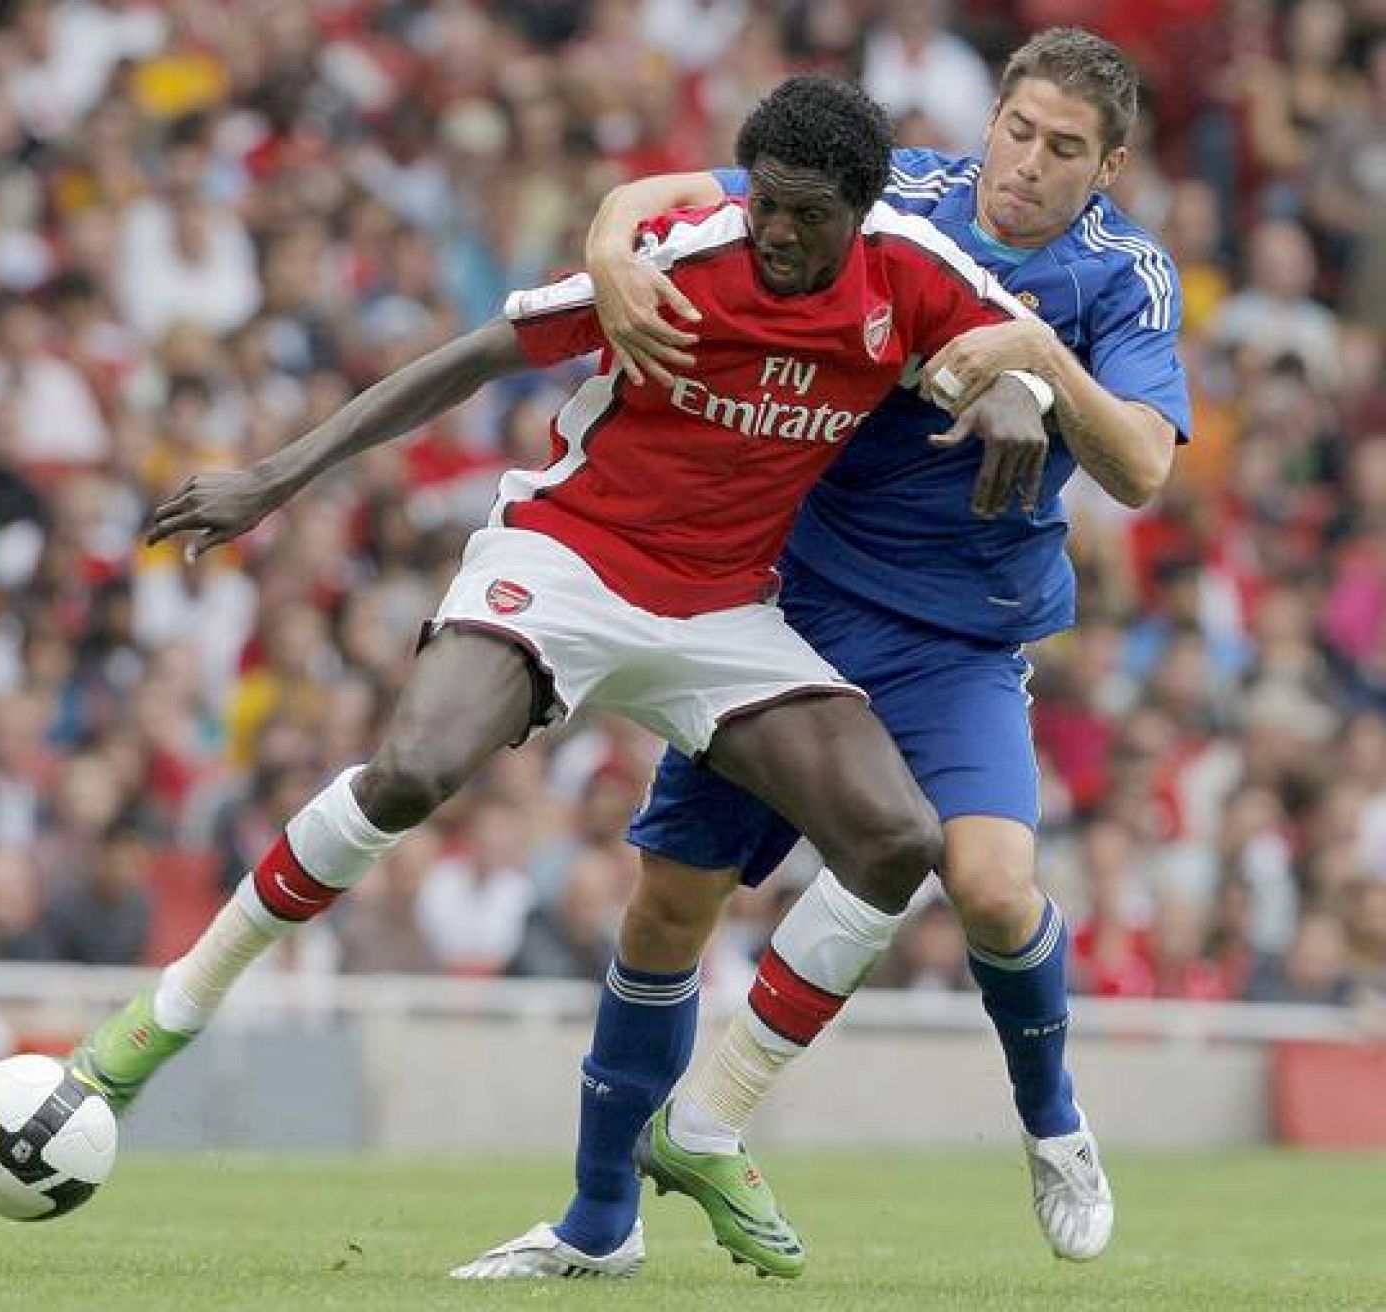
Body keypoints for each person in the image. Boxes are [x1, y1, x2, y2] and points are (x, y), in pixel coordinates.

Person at [63, 74, 1054, 1236]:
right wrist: (274, 479)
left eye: (807, 215)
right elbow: (481, 353)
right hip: (571, 561)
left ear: (862, 205)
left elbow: (1013, 339)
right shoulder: (685, 257)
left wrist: (1019, 393)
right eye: (767, 205)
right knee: (412, 772)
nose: (779, 233)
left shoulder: (910, 272)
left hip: (725, 615)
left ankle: (705, 1127)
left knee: (897, 843)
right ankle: (170, 1011)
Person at [455, 28, 1189, 1281]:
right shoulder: (894, 191)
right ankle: (594, 1226)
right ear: (990, 120)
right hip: (786, 606)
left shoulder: (1122, 279)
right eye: (1016, 130)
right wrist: (601, 248)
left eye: (1064, 150)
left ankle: (1053, 1121)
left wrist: (1034, 356)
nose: (1026, 164)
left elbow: (1141, 468)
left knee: (995, 886)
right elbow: (681, 192)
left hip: (959, 630)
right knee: (670, 908)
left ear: (1106, 165)